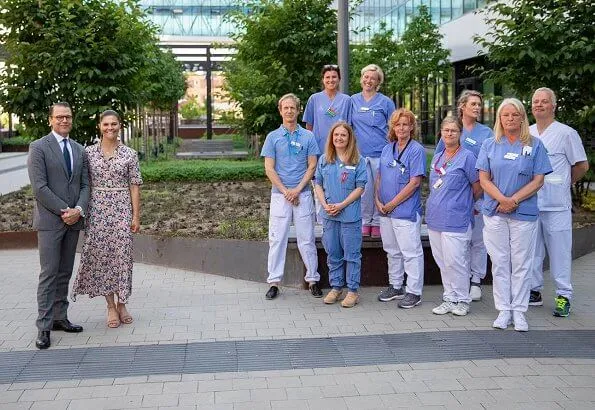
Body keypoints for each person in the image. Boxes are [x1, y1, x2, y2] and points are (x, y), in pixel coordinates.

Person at [476, 98, 552, 332]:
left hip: (524, 213)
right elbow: (483, 179)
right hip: (495, 212)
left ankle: (519, 310)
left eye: (514, 114)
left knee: (521, 262)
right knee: (499, 262)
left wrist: (514, 200)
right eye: (505, 115)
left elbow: (539, 179)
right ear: (499, 119)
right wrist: (502, 200)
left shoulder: (535, 145)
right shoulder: (490, 144)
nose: (510, 118)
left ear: (522, 117)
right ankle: (504, 310)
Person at [72, 110, 142, 328]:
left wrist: (136, 215)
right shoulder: (88, 153)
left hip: (122, 209)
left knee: (123, 257)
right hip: (97, 211)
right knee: (103, 259)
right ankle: (110, 306)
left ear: (120, 125)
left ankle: (123, 302)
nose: (110, 128)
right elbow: (83, 184)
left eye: (114, 124)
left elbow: (134, 185)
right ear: (99, 126)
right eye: (106, 124)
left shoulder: (130, 154)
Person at [27, 102, 89, 349]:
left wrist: (79, 210)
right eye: (60, 117)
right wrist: (66, 211)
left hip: (73, 221)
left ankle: (60, 318)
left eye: (68, 117)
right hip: (51, 222)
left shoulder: (79, 149)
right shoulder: (38, 147)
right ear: (50, 120)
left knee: (64, 272)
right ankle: (44, 326)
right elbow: (39, 188)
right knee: (49, 274)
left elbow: (86, 185)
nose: (65, 120)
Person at [529, 87, 589, 317]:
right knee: (532, 252)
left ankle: (564, 296)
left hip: (556, 205)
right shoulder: (529, 133)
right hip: (532, 204)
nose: (539, 105)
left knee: (560, 252)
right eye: (535, 101)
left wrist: (565, 183)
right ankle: (534, 291)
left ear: (553, 106)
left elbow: (582, 165)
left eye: (544, 101)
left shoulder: (566, 133)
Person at [260, 93, 321, 300]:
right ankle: (274, 282)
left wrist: (297, 189)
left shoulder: (308, 137)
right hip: (280, 196)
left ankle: (313, 279)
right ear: (280, 111)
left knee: (307, 240)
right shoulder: (272, 137)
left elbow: (312, 165)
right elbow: (269, 168)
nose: (289, 111)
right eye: (285, 108)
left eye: (292, 108)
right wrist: (286, 191)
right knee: (277, 240)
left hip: (302, 195)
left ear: (298, 110)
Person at [436, 90, 493, 301]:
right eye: (473, 104)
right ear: (462, 106)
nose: (477, 107)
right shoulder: (452, 128)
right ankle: (457, 284)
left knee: (477, 239)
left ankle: (475, 280)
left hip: (478, 191)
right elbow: (440, 161)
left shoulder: (485, 133)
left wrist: (475, 193)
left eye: (479, 104)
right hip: (453, 195)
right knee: (458, 243)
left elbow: (489, 163)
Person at [427, 116, 481, 317]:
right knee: (442, 261)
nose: (449, 134)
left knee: (456, 261)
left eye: (453, 131)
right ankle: (449, 297)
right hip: (435, 218)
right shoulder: (438, 156)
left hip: (456, 219)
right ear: (441, 132)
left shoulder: (467, 157)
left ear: (460, 134)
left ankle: (462, 300)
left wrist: (462, 202)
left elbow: (478, 186)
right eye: (446, 130)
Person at [375, 108, 426, 308]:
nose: (401, 128)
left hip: (404, 210)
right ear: (393, 128)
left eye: (405, 124)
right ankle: (396, 286)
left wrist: (392, 204)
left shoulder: (416, 150)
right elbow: (379, 176)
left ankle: (414, 291)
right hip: (385, 210)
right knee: (392, 250)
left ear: (412, 127)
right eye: (398, 124)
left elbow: (415, 182)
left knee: (410, 251)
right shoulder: (388, 149)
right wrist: (378, 200)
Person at [314, 122, 366, 308]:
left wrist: (342, 205)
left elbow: (360, 187)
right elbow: (317, 183)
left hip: (349, 216)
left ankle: (352, 291)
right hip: (329, 216)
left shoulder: (358, 160)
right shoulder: (324, 159)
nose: (339, 138)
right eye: (336, 135)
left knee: (351, 255)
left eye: (343, 135)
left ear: (349, 138)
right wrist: (324, 204)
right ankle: (336, 287)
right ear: (332, 137)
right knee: (333, 253)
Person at [350, 64, 396, 238]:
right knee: (363, 189)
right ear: (362, 78)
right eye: (366, 77)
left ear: (378, 82)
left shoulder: (385, 102)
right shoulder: (352, 100)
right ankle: (364, 221)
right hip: (360, 154)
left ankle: (377, 222)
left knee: (379, 189)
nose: (369, 80)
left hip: (381, 153)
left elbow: (394, 127)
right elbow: (348, 126)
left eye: (373, 78)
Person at [303, 64, 352, 223]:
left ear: (339, 79)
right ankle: (322, 221)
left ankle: (339, 219)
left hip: (341, 151)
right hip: (319, 151)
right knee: (319, 185)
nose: (331, 80)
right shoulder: (314, 99)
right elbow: (308, 126)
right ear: (323, 80)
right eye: (327, 77)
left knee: (340, 185)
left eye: (334, 77)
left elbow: (350, 127)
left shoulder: (346, 100)